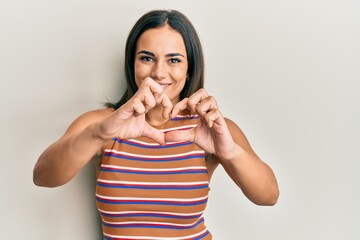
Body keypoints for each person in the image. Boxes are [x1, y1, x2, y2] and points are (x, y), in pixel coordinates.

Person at [33, 9, 279, 239]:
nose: (159, 73)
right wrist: (97, 134)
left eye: (173, 60)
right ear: (133, 63)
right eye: (147, 58)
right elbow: (43, 176)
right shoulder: (102, 123)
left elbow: (268, 196)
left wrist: (230, 152)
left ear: (189, 69)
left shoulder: (211, 128)